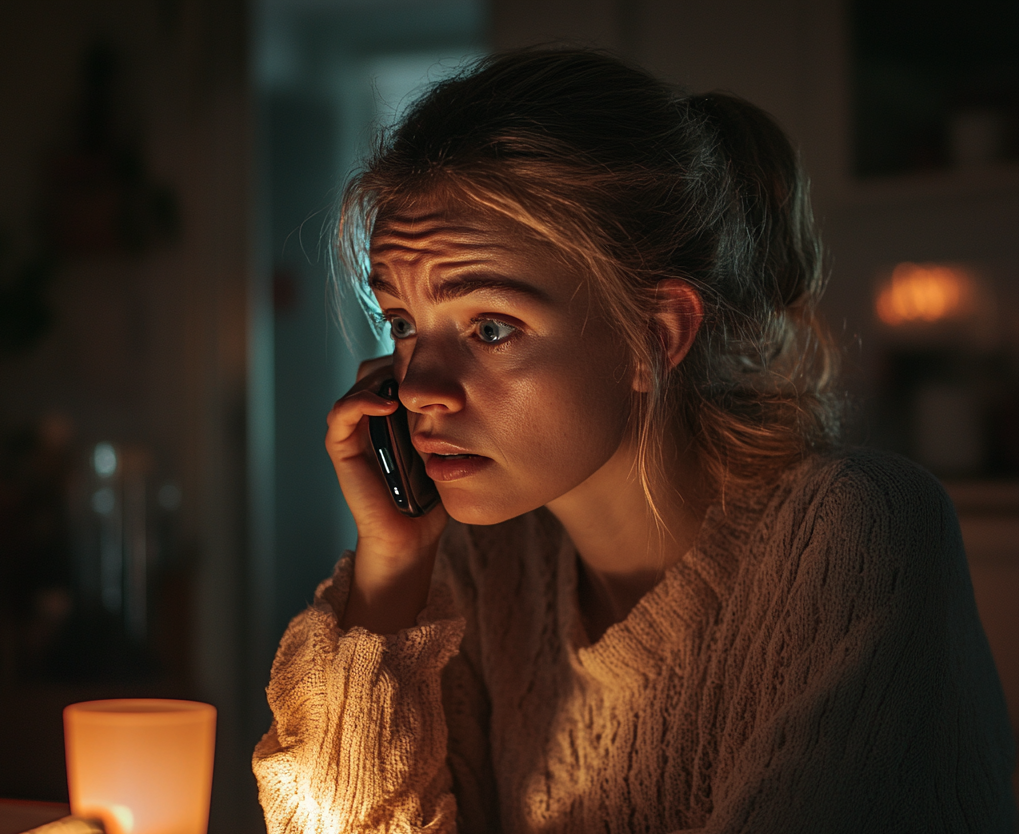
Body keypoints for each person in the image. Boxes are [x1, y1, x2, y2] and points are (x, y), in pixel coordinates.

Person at [252, 48, 1016, 832]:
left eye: (489, 326)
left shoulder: (855, 535)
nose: (416, 386)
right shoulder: (476, 565)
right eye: (404, 324)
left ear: (655, 334)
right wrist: (392, 572)